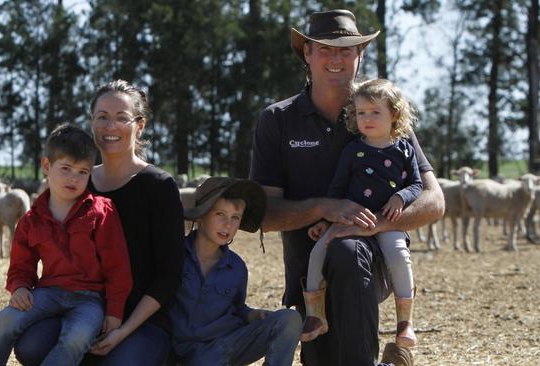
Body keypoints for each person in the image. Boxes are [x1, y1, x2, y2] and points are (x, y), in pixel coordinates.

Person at [249, 9, 444, 366]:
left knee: (349, 250)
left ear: (361, 56)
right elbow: (265, 215)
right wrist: (325, 208)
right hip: (309, 271)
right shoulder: (277, 120)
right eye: (324, 49)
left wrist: (377, 224)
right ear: (306, 53)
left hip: (369, 264)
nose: (336, 58)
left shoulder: (383, 113)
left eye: (347, 49)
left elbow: (434, 201)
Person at [13, 80, 185, 365]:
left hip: (139, 320)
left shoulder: (159, 186)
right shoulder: (78, 181)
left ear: (139, 125)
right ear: (91, 122)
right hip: (78, 312)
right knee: (30, 346)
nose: (110, 127)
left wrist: (122, 331)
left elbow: (169, 276)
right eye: (102, 117)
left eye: (121, 118)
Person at [0, 123, 132, 366]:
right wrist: (19, 287)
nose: (74, 178)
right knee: (6, 319)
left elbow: (117, 266)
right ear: (47, 166)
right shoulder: (31, 219)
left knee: (76, 338)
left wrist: (114, 311)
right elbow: (22, 264)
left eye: (83, 172)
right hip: (48, 292)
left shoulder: (101, 211)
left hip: (90, 298)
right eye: (66, 168)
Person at [302, 79, 421, 349]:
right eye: (360, 112)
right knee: (318, 250)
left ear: (394, 114)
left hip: (388, 222)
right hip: (351, 220)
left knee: (400, 256)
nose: (366, 118)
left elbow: (416, 184)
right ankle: (315, 315)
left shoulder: (404, 149)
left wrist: (400, 197)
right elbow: (337, 188)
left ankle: (405, 322)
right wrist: (326, 219)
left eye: (375, 112)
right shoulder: (353, 151)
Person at [171, 177, 302, 366]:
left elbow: (236, 308)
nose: (228, 224)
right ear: (200, 215)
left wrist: (252, 315)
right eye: (220, 214)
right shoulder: (175, 256)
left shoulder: (237, 268)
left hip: (227, 348)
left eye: (235, 218)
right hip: (185, 354)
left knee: (289, 319)